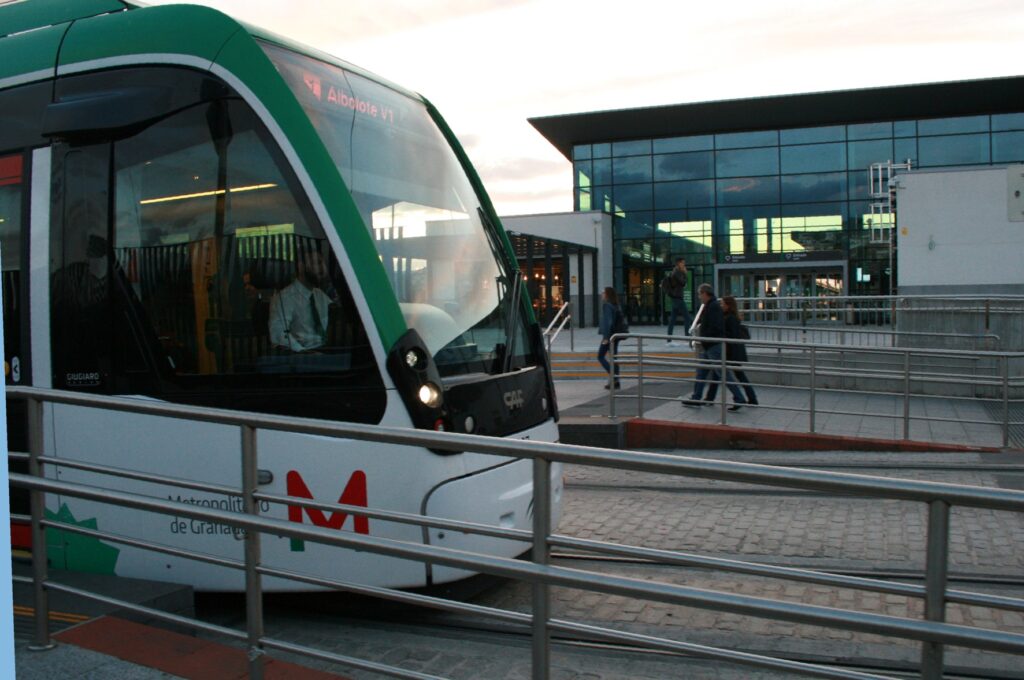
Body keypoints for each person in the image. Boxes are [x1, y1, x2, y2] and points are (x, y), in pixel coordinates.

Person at [682, 283, 747, 410]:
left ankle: (739, 398)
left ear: (705, 293)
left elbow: (716, 327)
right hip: (708, 345)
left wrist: (706, 338)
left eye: (700, 294)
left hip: (712, 346)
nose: (699, 296)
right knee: (702, 373)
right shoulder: (710, 306)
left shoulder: (713, 307)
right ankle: (696, 397)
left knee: (723, 374)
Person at [269, 248, 334, 352]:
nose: (322, 269)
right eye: (316, 263)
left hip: (326, 352)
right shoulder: (285, 298)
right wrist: (303, 352)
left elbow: (336, 315)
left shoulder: (320, 295)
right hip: (301, 358)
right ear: (301, 267)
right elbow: (278, 333)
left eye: (322, 263)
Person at [704, 294, 758, 406]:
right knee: (720, 373)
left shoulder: (730, 318)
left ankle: (749, 398)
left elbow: (732, 335)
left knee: (731, 374)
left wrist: (721, 336)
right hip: (732, 351)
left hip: (731, 352)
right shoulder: (729, 317)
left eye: (723, 303)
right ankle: (710, 398)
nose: (721, 305)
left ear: (728, 305)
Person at [597, 286, 626, 389]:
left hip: (610, 336)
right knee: (614, 357)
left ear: (607, 294)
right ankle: (616, 381)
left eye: (603, 292)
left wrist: (606, 337)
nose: (602, 294)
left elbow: (608, 322)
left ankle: (614, 376)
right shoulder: (616, 304)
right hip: (616, 335)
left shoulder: (607, 305)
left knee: (600, 356)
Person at [662, 258, 692, 345]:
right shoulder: (677, 273)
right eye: (683, 263)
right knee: (687, 318)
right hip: (678, 298)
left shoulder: (675, 272)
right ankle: (687, 337)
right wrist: (685, 274)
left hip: (676, 298)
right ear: (678, 263)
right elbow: (683, 283)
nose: (684, 265)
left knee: (672, 319)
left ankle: (669, 339)